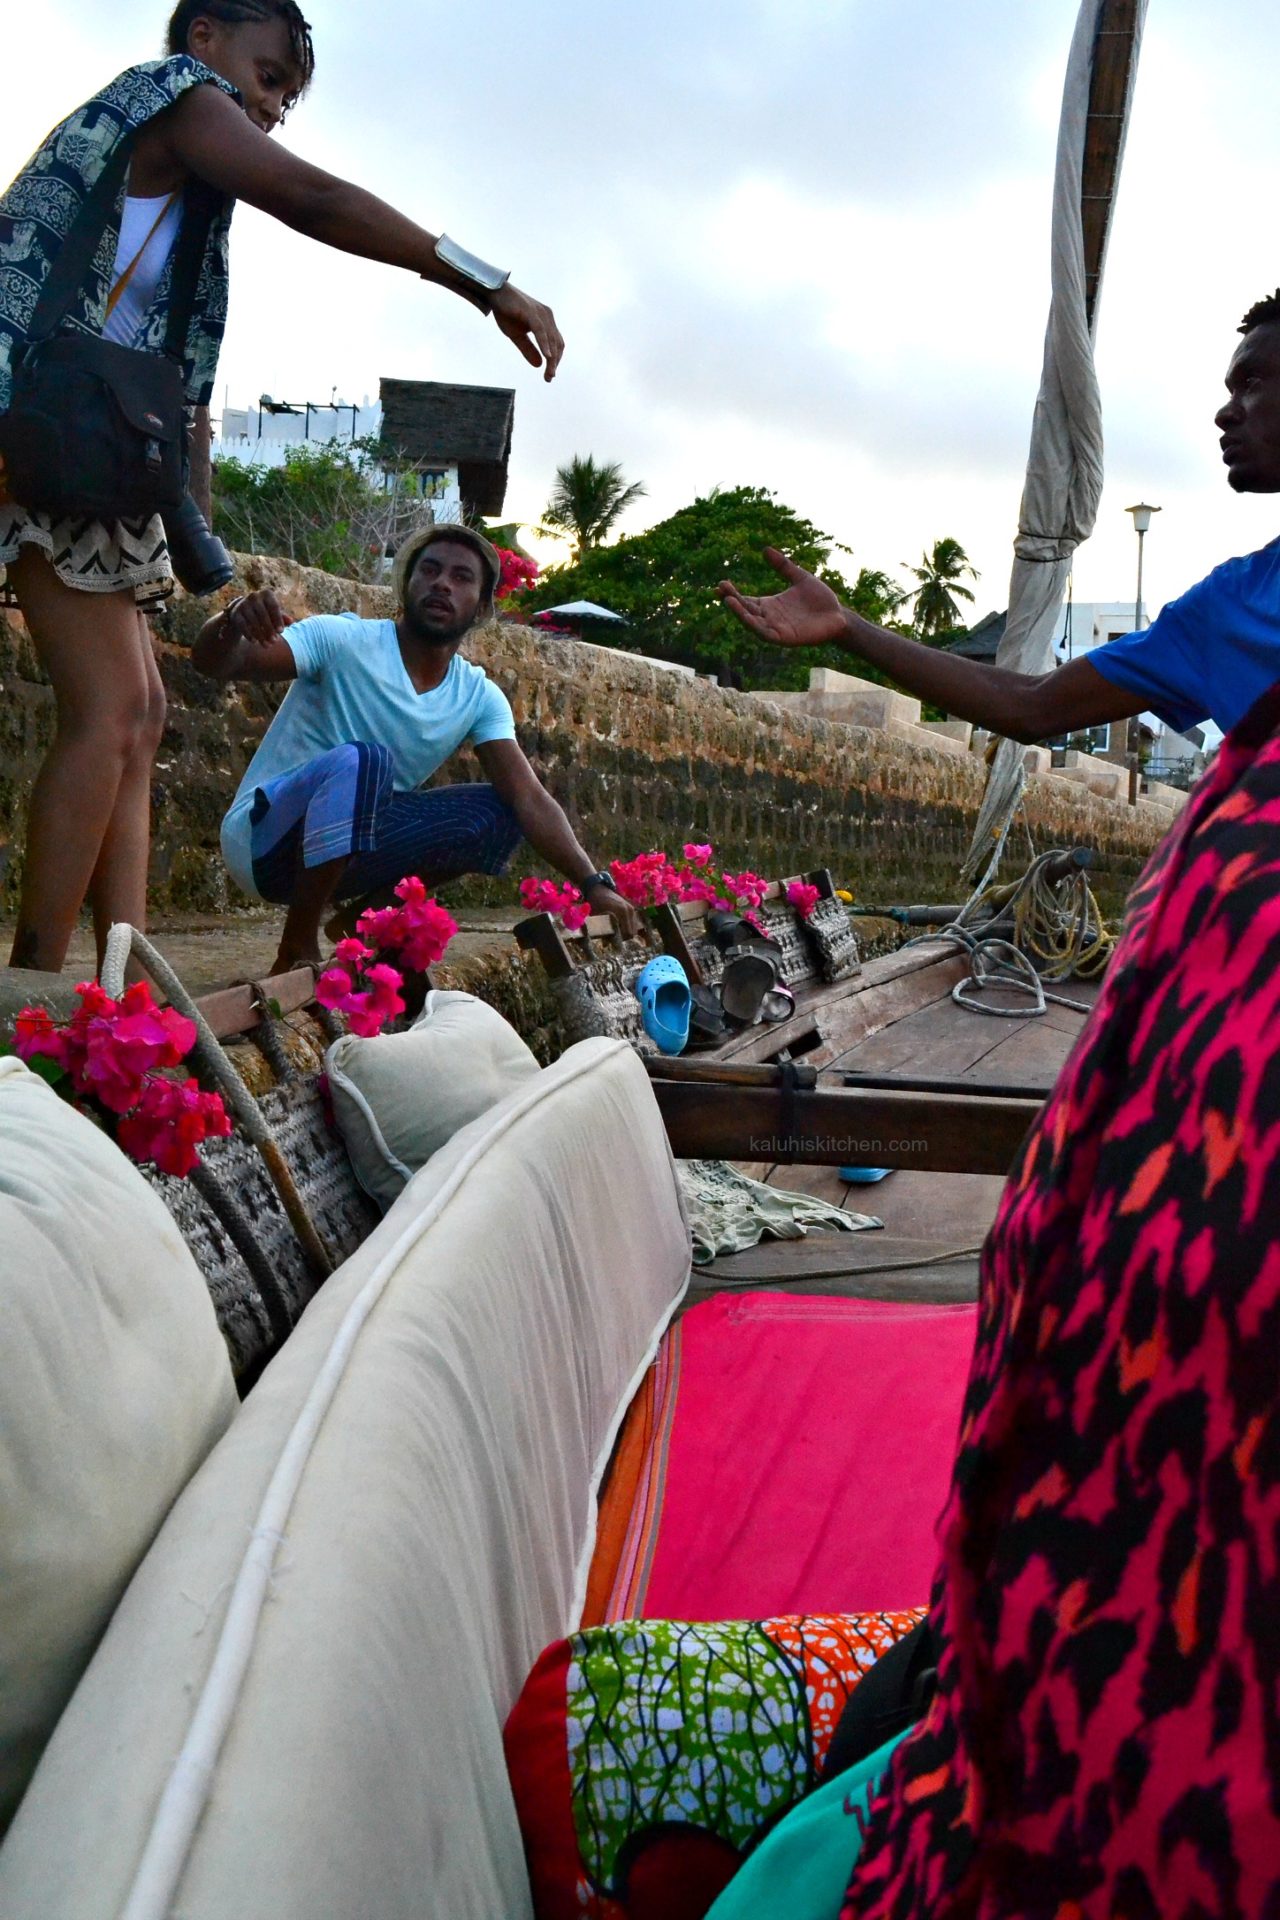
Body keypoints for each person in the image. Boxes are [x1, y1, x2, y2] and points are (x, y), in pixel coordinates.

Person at [0, 0, 562, 975]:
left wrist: (188, 512)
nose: (267, 113)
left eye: (284, 102)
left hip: (92, 452)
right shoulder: (180, 97)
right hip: (35, 425)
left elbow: (169, 378)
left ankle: (127, 982)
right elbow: (313, 199)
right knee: (107, 711)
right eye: (268, 81)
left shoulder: (189, 189)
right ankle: (33, 985)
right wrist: (484, 282)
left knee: (140, 713)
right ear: (206, 37)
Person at [718, 290, 1280, 746]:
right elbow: (1030, 706)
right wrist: (846, 626)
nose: (1224, 412)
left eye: (1252, 383)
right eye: (1230, 389)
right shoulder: (1226, 609)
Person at [193, 523, 639, 973]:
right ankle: (297, 947)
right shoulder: (344, 639)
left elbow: (530, 797)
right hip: (264, 842)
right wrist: (232, 621)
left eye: (462, 577)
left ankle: (364, 926)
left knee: (500, 810)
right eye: (430, 570)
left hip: (349, 855)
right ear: (407, 584)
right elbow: (223, 662)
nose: (443, 583)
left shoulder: (477, 695)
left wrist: (592, 883)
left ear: (482, 606)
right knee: (366, 761)